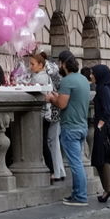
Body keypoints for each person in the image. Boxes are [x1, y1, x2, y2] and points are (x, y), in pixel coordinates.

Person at [47, 52, 90, 206]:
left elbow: (62, 104)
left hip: (71, 126)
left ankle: (80, 196)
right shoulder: (83, 80)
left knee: (76, 163)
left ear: (64, 64)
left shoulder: (67, 81)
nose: (59, 66)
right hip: (82, 125)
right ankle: (78, 193)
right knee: (78, 161)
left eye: (59, 63)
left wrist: (52, 98)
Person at [28, 50, 61, 183]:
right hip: (45, 113)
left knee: (43, 143)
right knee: (44, 142)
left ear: (41, 65)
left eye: (33, 64)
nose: (31, 67)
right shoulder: (41, 75)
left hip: (42, 113)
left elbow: (36, 91)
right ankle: (51, 170)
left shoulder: (40, 77)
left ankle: (51, 169)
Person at [89, 63, 110, 204]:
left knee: (102, 159)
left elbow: (107, 109)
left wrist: (100, 124)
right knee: (102, 159)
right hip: (105, 128)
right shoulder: (106, 87)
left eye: (93, 73)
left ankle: (109, 189)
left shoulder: (103, 89)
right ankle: (108, 189)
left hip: (104, 129)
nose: (91, 75)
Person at [45, 55, 66, 184]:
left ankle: (57, 171)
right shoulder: (57, 73)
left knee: (52, 141)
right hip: (57, 111)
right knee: (55, 142)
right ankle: (60, 170)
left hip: (52, 111)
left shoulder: (49, 73)